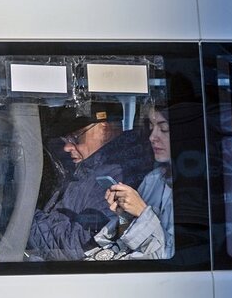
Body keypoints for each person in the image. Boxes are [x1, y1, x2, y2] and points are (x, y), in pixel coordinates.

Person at [27, 101, 154, 261]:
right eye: (64, 138)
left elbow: (77, 246)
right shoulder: (87, 168)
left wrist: (24, 220)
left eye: (75, 137)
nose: (67, 147)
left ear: (105, 131)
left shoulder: (121, 177)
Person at [88, 103, 174, 260]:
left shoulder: (199, 192)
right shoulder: (154, 179)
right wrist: (124, 215)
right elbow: (130, 240)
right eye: (151, 128)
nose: (152, 137)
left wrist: (142, 213)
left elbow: (169, 257)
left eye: (164, 129)